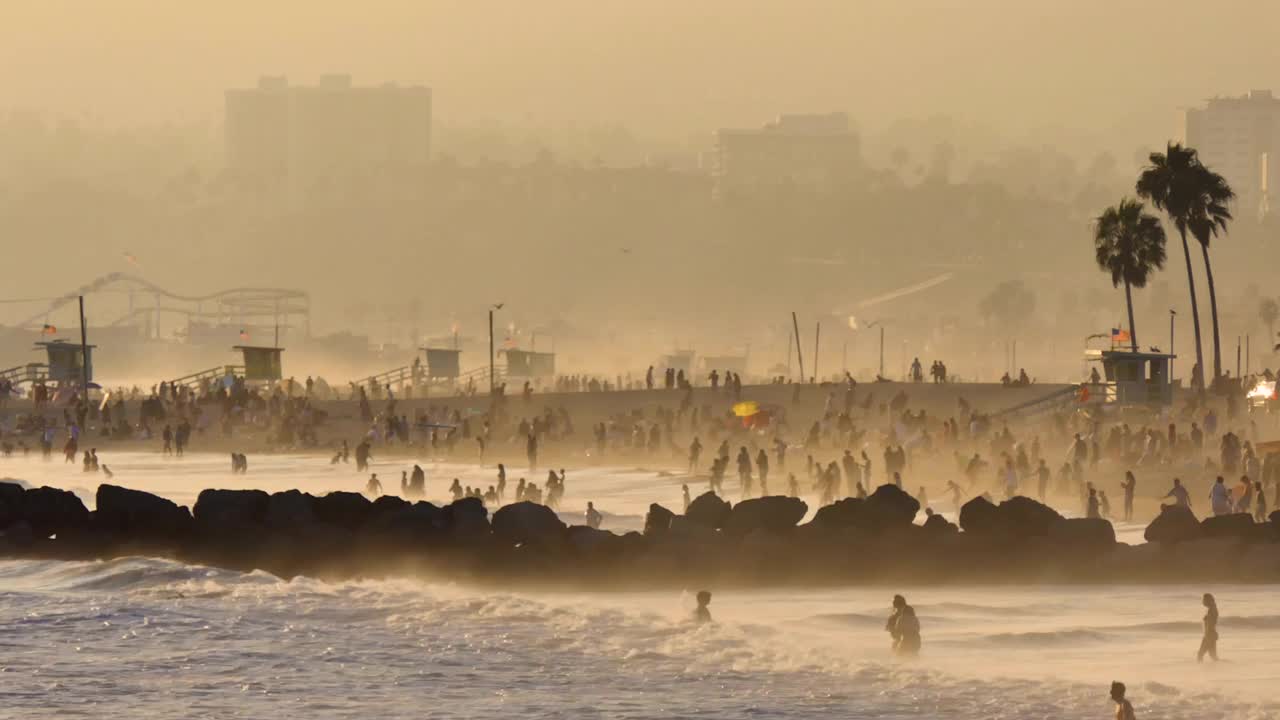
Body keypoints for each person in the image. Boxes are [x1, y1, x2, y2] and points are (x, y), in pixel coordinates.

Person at [1197, 593, 1219, 662]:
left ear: (1208, 600)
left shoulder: (1212, 610)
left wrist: (1207, 636)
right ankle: (1225, 668)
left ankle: (1199, 670)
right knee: (1213, 656)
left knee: (1200, 654)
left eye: (1204, 600)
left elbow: (1210, 624)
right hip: (1210, 634)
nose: (1202, 602)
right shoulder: (1212, 608)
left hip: (1209, 635)